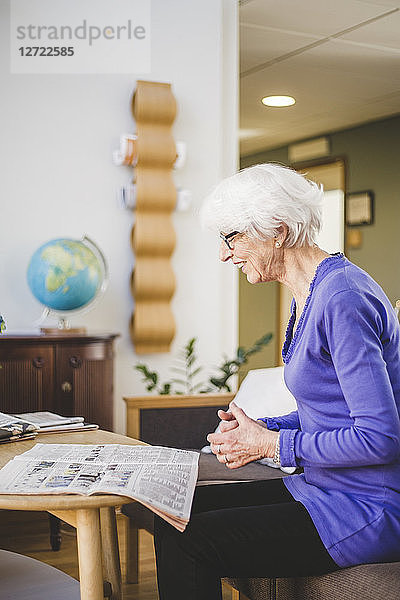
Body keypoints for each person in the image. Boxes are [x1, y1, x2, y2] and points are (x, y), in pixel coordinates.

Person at [154, 163, 400, 600]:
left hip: (366, 506)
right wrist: (265, 428)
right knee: (173, 513)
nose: (225, 254)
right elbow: (329, 411)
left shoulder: (342, 299)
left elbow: (380, 437)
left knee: (194, 541)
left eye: (233, 237)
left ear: (279, 231)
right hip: (320, 488)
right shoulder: (308, 291)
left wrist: (269, 446)